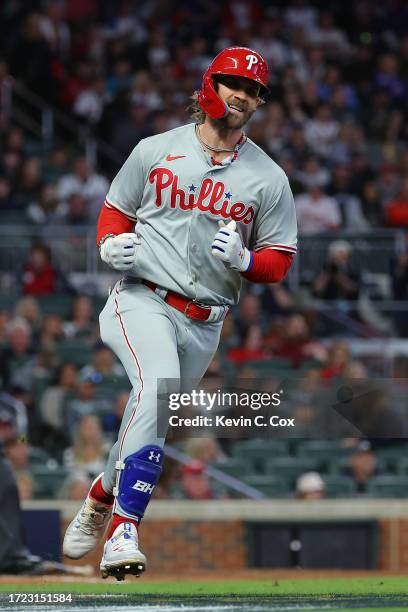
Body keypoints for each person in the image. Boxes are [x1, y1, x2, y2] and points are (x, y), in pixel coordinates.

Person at [63, 46, 297, 580]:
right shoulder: (155, 150)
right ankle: (124, 528)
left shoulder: (269, 177)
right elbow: (114, 213)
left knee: (149, 412)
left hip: (205, 320)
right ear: (210, 84)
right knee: (159, 387)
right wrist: (107, 247)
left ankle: (101, 494)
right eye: (234, 81)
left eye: (254, 89)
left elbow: (278, 262)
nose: (243, 94)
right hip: (141, 297)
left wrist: (246, 260)